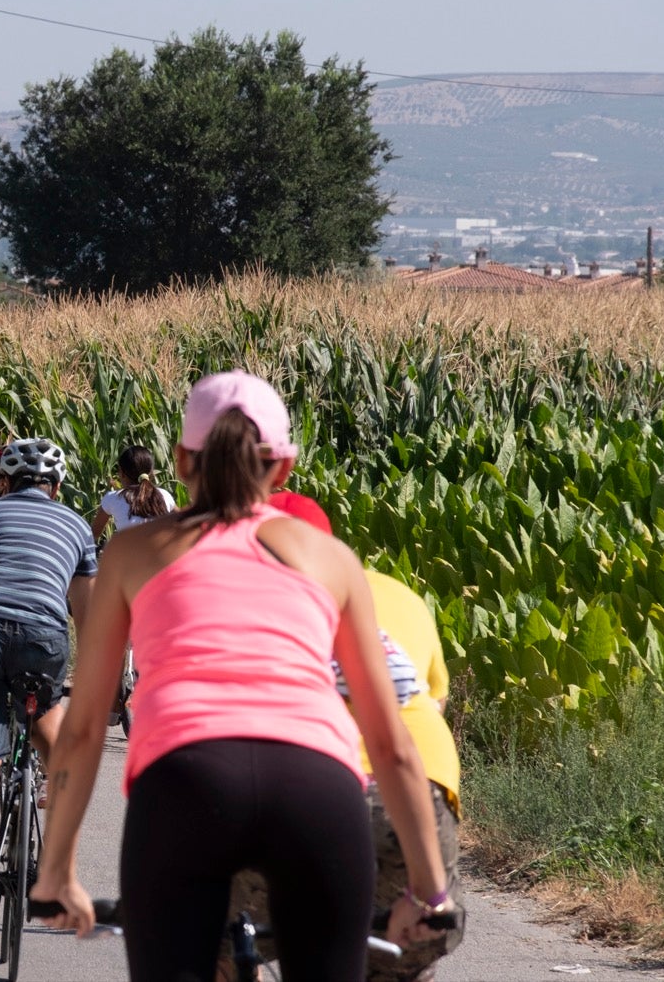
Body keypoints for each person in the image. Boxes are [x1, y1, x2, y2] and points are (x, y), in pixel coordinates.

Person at [29, 370, 453, 980]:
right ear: (283, 468)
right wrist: (430, 893)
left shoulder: (132, 552)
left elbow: (85, 726)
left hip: (185, 781)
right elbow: (390, 743)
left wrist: (56, 874)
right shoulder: (331, 559)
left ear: (182, 461)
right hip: (317, 786)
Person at [222, 493, 465, 982]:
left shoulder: (242, 603)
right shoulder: (395, 592)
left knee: (224, 944)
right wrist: (431, 894)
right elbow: (434, 702)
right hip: (412, 796)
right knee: (403, 952)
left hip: (298, 794)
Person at [0, 436, 97, 941]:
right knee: (56, 743)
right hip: (41, 638)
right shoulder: (77, 525)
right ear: (57, 486)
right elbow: (86, 614)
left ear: (5, 483)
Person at [89, 444, 175, 545]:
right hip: (164, 553)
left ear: (122, 473)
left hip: (130, 553)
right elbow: (184, 520)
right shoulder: (164, 495)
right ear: (151, 472)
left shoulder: (112, 498)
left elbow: (94, 534)